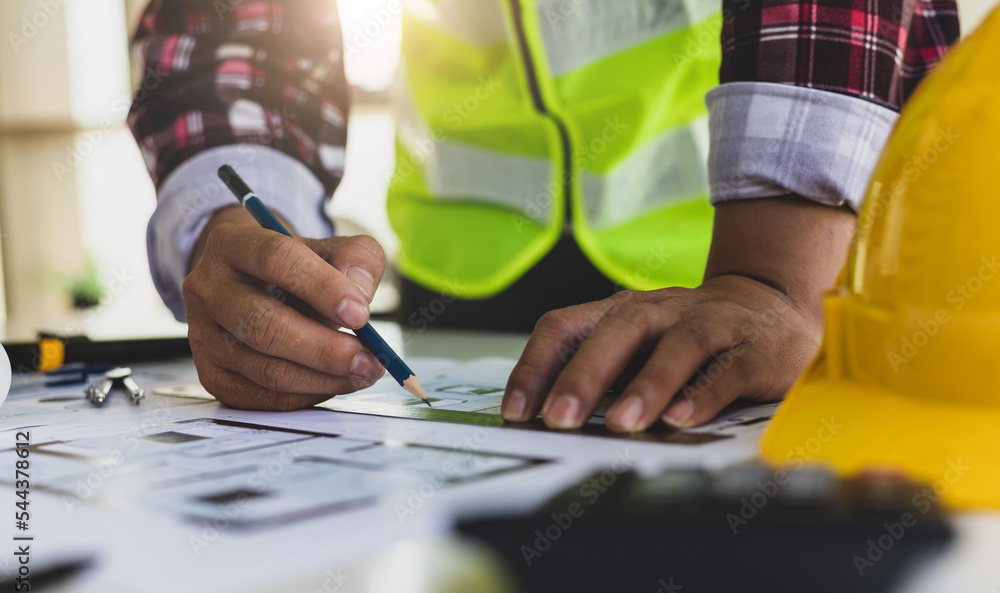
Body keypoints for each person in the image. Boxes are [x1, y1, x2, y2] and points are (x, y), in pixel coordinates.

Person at [128, 0, 958, 431]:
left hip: (750, 254)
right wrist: (225, 214)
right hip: (463, 278)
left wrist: (774, 272)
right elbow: (237, 21)